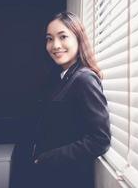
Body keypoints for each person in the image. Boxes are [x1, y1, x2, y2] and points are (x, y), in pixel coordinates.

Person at [31, 12, 111, 188]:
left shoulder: (84, 79)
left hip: (68, 178)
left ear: (78, 38)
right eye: (49, 39)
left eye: (63, 37)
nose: (55, 45)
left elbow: (100, 139)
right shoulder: (60, 76)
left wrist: (46, 159)